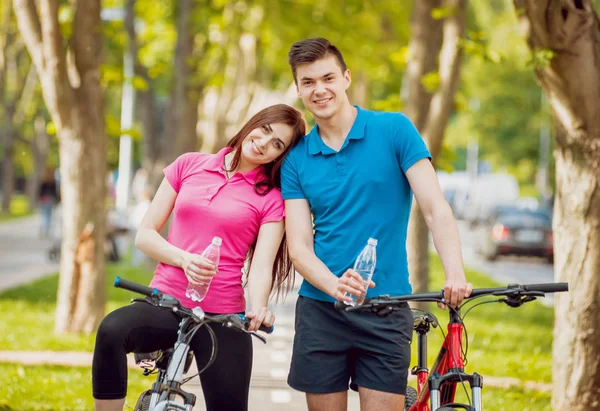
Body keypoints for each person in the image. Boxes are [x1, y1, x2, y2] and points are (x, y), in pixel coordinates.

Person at [281, 38, 473, 411]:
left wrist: (455, 273)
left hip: (388, 307)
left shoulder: (395, 130)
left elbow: (435, 208)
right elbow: (299, 247)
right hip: (321, 310)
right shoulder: (296, 159)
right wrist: (336, 286)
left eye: (328, 78)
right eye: (308, 82)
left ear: (346, 78)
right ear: (299, 88)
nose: (319, 89)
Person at [92, 104, 306, 411]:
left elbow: (260, 267)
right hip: (165, 303)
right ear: (253, 124)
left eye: (277, 145)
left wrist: (258, 307)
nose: (263, 143)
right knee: (112, 330)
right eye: (266, 130)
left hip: (223, 316)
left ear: (279, 156)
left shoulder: (271, 198)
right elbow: (146, 234)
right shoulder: (189, 164)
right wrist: (184, 259)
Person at [38, 167, 59, 238]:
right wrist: (57, 200)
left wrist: (39, 198)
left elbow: (40, 191)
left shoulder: (44, 180)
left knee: (44, 215)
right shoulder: (53, 181)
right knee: (49, 216)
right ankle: (46, 229)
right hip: (50, 200)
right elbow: (55, 192)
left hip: (44, 199)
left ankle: (44, 228)